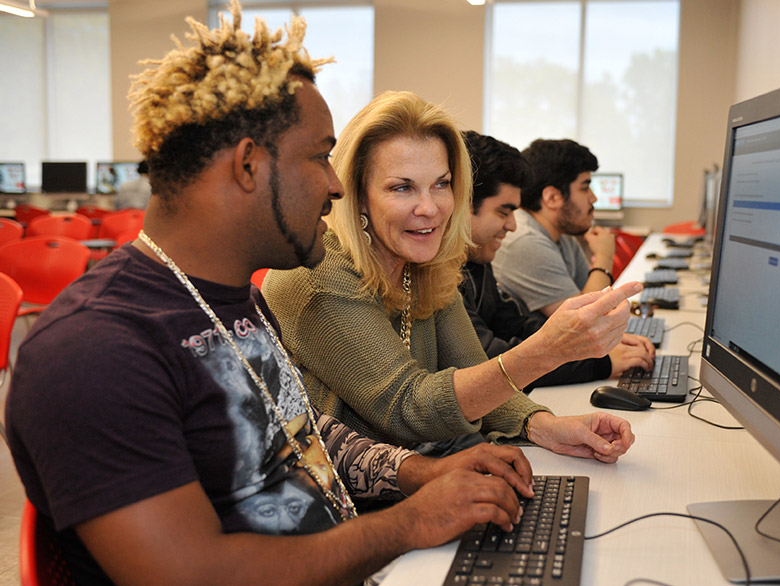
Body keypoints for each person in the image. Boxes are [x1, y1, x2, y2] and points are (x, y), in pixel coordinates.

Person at [5, 5, 542, 584]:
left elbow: (301, 435)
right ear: (248, 165)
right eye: (319, 158)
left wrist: (419, 474)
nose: (337, 186)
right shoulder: (94, 350)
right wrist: (409, 523)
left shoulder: (238, 302)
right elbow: (190, 574)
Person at [262, 90, 642, 460]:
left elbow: (478, 374)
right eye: (402, 188)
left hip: (422, 471)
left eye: (441, 184)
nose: (430, 208)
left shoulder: (426, 263)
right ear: (358, 195)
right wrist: (547, 351)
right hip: (352, 501)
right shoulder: (320, 275)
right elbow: (406, 408)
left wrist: (542, 425)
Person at [460, 130, 654, 391]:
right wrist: (599, 361)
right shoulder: (519, 244)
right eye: (504, 212)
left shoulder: (479, 259)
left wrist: (593, 347)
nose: (512, 226)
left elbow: (518, 325)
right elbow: (490, 359)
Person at [492, 138, 618, 318]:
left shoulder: (562, 234)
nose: (593, 198)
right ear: (552, 198)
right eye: (585, 188)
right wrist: (604, 257)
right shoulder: (527, 242)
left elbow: (593, 302)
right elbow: (585, 321)